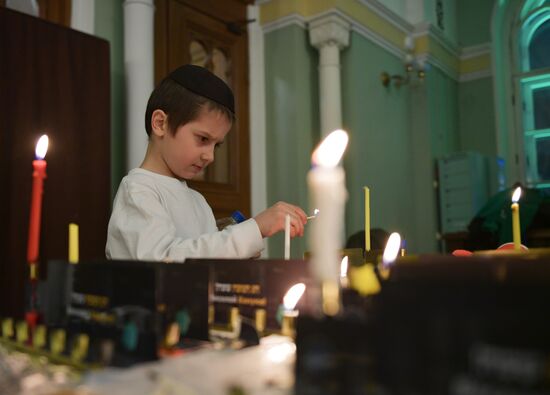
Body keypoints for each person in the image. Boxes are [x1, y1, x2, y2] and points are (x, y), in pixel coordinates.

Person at [106, 64, 307, 261]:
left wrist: (238, 254)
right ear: (160, 123)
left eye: (216, 145)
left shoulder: (198, 202)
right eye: (203, 139)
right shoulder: (137, 191)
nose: (210, 156)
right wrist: (254, 229)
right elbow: (163, 262)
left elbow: (205, 265)